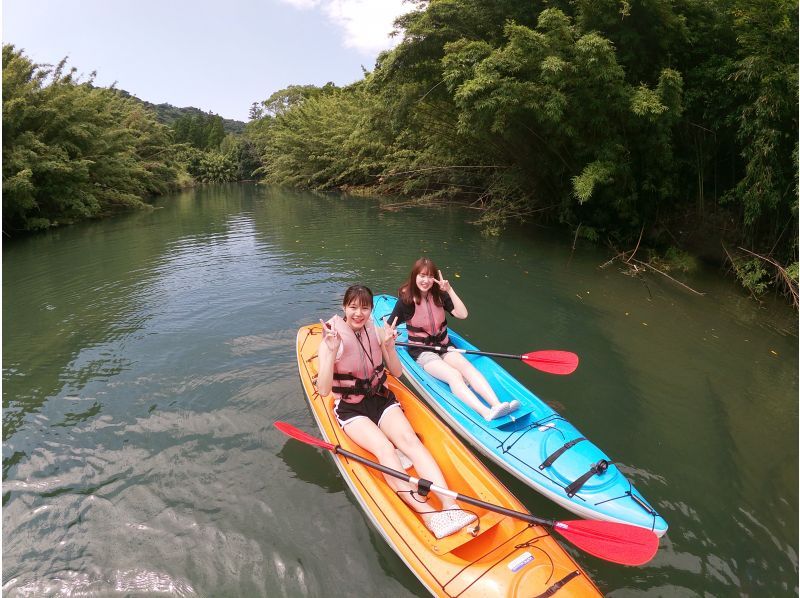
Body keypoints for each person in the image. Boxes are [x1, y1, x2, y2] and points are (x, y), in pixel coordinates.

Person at [316, 284, 477, 539]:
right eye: (353, 307)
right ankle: (430, 515)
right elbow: (323, 389)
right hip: (351, 407)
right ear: (344, 307)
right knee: (385, 450)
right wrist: (332, 351)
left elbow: (397, 372)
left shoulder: (376, 331)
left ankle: (449, 504)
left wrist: (389, 347)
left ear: (370, 310)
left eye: (364, 308)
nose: (358, 313)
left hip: (381, 399)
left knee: (410, 442)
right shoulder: (331, 338)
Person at [389, 257, 519, 421]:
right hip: (422, 353)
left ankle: (496, 404)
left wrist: (449, 290)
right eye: (422, 276)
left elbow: (463, 314)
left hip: (444, 346)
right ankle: (485, 412)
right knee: (454, 375)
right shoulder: (405, 302)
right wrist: (390, 335)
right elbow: (388, 327)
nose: (426, 280)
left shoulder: (439, 296)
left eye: (430, 276)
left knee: (467, 368)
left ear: (434, 279)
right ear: (415, 276)